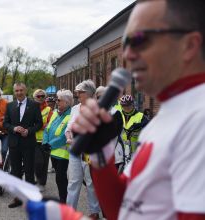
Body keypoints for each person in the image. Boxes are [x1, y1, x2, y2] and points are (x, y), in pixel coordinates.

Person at [71, 0, 205, 219]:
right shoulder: (169, 115)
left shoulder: (199, 121)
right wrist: (101, 153)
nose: (128, 55)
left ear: (189, 46)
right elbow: (123, 208)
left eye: (139, 39)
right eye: (125, 43)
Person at [65, 80, 101, 219]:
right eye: (77, 92)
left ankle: (94, 211)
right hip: (74, 150)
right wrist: (68, 135)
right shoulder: (75, 108)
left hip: (89, 152)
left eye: (81, 92)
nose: (77, 94)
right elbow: (69, 127)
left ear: (90, 93)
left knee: (91, 181)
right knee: (73, 181)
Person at [3, 82, 42, 208]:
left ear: (25, 91)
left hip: (28, 143)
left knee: (29, 172)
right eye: (17, 91)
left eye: (21, 90)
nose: (19, 93)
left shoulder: (34, 105)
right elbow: (5, 123)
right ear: (14, 92)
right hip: (14, 144)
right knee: (16, 171)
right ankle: (18, 198)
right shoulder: (9, 106)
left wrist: (28, 131)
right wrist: (14, 128)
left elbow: (39, 123)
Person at [43, 89, 73, 203]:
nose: (56, 102)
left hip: (63, 153)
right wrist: (45, 143)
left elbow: (64, 136)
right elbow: (47, 129)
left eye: (59, 100)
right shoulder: (55, 112)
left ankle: (63, 201)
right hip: (52, 152)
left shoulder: (71, 115)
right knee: (59, 179)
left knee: (61, 178)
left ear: (67, 102)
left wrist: (49, 145)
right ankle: (63, 199)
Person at [33, 89, 53, 192]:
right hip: (33, 140)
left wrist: (36, 126)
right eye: (38, 96)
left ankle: (42, 183)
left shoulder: (49, 109)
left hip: (46, 140)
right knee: (38, 162)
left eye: (42, 96)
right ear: (34, 97)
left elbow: (50, 124)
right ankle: (38, 179)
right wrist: (40, 126)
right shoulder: (31, 108)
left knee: (45, 163)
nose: (40, 98)